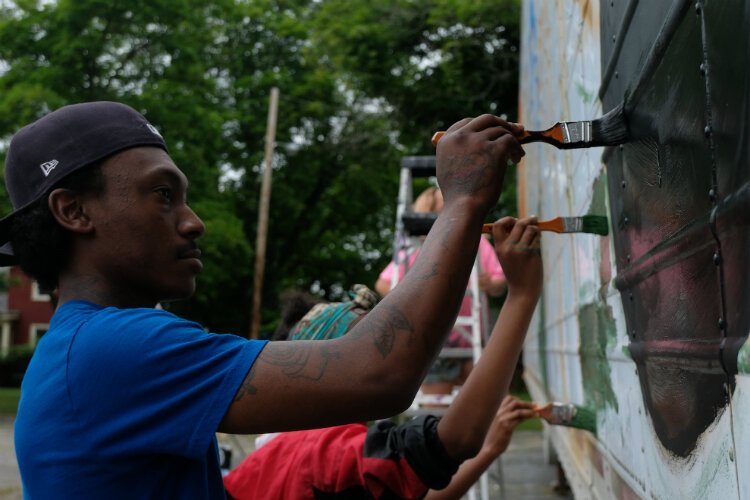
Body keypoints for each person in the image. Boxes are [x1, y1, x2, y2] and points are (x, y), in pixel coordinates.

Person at [5, 101, 525, 497]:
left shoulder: (78, 351)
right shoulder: (110, 349)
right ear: (74, 211)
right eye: (163, 195)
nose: (193, 221)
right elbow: (380, 373)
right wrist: (462, 200)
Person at [224, 215, 543, 499]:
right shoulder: (319, 453)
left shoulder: (275, 457)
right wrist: (523, 295)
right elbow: (452, 442)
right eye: (371, 351)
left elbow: (412, 485)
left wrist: (489, 449)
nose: (388, 361)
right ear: (319, 372)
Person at [375, 186, 507, 398]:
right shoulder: (418, 246)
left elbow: (499, 282)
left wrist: (489, 283)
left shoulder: (477, 240)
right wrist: (411, 301)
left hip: (472, 341)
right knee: (436, 415)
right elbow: (383, 284)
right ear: (430, 210)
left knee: (481, 406)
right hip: (433, 344)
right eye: (443, 201)